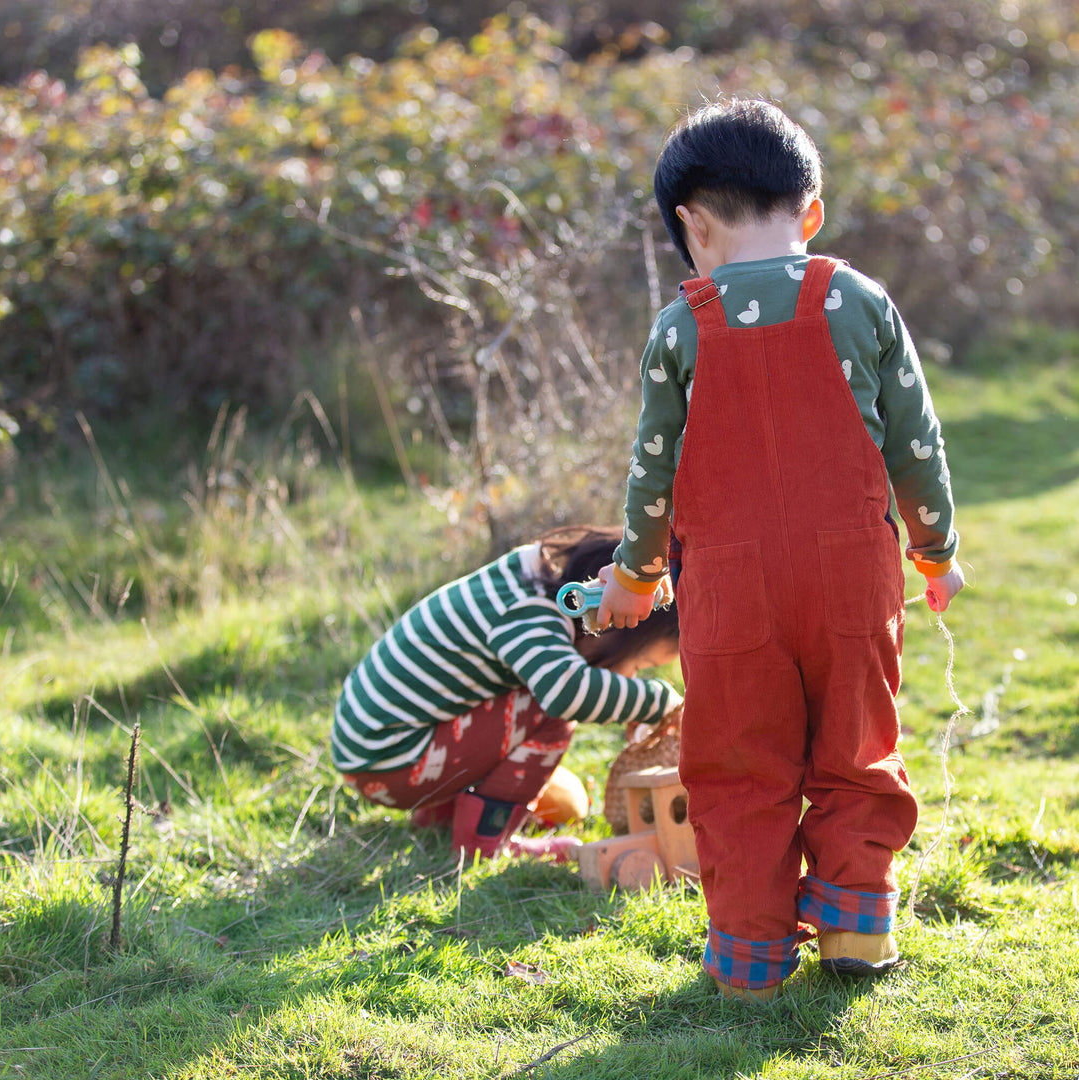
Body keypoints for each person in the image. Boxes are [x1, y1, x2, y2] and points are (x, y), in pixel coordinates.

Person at [595, 99, 964, 999]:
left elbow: (654, 475)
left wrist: (635, 577)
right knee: (856, 746)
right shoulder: (860, 300)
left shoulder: (680, 327)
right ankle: (856, 936)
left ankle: (750, 966)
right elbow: (916, 444)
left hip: (727, 597)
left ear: (694, 224)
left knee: (738, 767)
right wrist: (935, 551)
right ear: (812, 213)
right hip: (851, 578)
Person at [332, 525, 681, 862]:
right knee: (551, 709)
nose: (633, 675)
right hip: (389, 761)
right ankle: (482, 841)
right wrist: (662, 703)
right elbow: (566, 692)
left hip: (375, 750)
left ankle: (442, 812)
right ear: (619, 624)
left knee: (536, 710)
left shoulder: (522, 579)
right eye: (641, 663)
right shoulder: (529, 608)